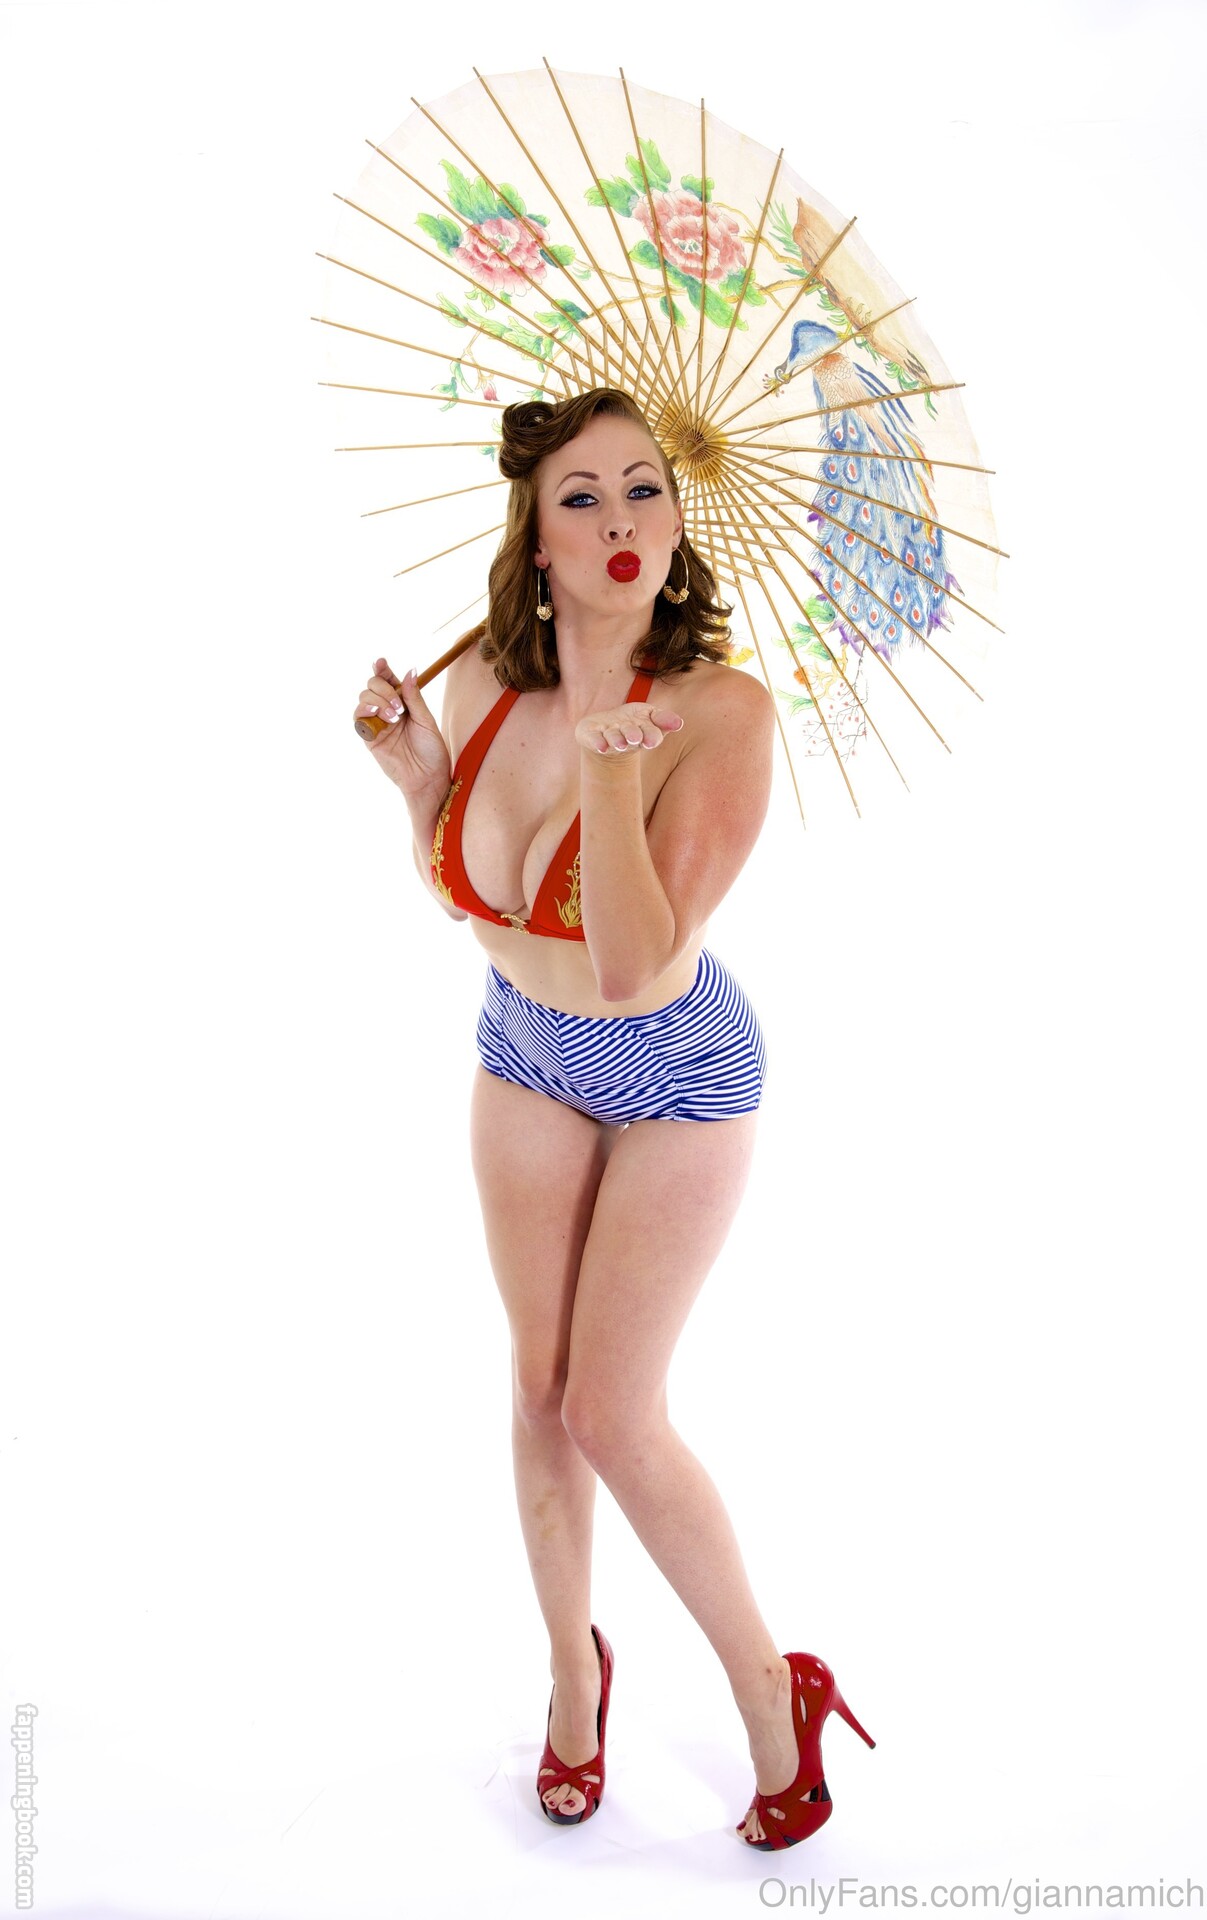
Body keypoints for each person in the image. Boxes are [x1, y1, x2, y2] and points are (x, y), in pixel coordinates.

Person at [352, 388, 873, 1849]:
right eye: (580, 497)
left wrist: (608, 763)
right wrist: (419, 784)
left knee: (610, 1411)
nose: (621, 520)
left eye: (645, 487)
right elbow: (479, 908)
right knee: (537, 1392)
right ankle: (574, 1680)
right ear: (535, 536)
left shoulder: (721, 714)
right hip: (525, 1049)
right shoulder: (480, 684)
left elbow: (637, 969)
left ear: (680, 515)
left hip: (676, 1070)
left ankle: (774, 1689)